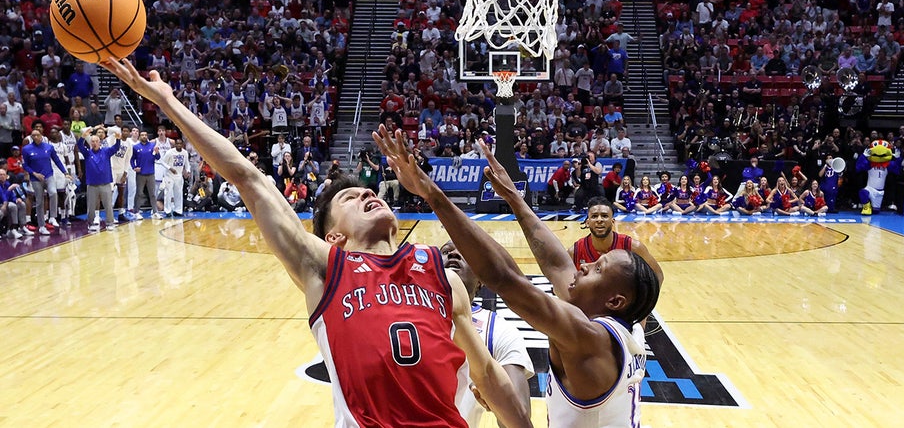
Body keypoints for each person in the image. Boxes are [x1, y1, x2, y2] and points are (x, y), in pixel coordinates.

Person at [102, 58, 531, 428]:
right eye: (350, 197)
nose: (367, 194)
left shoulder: (441, 275)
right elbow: (248, 178)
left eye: (369, 192)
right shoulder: (327, 269)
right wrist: (166, 102)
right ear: (334, 237)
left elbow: (488, 376)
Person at [374, 127, 663, 428]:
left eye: (598, 268)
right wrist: (514, 197)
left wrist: (431, 193)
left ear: (615, 300)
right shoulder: (619, 325)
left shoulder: (590, 339)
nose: (585, 265)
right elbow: (556, 263)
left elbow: (505, 278)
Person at [441, 240, 534, 428]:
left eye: (464, 253)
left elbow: (518, 414)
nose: (453, 255)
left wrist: (498, 401)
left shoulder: (498, 329)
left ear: (481, 280)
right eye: (445, 252)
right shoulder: (399, 312)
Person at [573, 196, 653, 270]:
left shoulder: (633, 247)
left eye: (604, 216)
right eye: (594, 216)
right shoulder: (575, 251)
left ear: (612, 221)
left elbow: (657, 275)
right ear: (587, 222)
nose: (599, 220)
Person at [22, 128, 67, 234]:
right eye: (33, 135)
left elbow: (56, 160)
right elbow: (25, 165)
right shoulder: (26, 149)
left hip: (48, 175)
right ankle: (41, 226)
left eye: (37, 135)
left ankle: (52, 217)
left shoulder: (49, 147)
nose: (35, 137)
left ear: (42, 136)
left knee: (53, 192)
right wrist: (34, 173)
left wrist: (65, 172)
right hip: (36, 178)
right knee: (39, 202)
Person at [77, 125, 120, 232]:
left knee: (108, 205)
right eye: (92, 141)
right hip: (92, 184)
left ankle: (110, 223)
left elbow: (116, 147)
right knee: (91, 206)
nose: (94, 143)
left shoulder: (106, 151)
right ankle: (90, 223)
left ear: (100, 142)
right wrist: (83, 136)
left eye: (96, 141)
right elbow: (79, 145)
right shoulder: (87, 153)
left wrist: (118, 139)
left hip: (105, 183)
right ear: (90, 143)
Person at [130, 130, 161, 219]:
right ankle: (136, 212)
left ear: (147, 136)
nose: (144, 136)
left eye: (145, 135)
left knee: (152, 194)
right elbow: (132, 159)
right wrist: (134, 167)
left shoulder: (152, 146)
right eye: (142, 135)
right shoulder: (135, 147)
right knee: (139, 193)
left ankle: (155, 212)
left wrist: (157, 152)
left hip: (151, 173)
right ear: (140, 136)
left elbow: (158, 158)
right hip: (140, 174)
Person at [159, 137, 190, 217]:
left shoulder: (185, 153)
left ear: (182, 145)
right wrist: (170, 168)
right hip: (169, 175)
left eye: (180, 143)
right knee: (168, 193)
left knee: (179, 193)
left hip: (179, 175)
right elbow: (162, 161)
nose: (179, 145)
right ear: (175, 144)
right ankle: (167, 210)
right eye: (177, 143)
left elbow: (187, 164)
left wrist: (188, 171)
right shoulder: (170, 152)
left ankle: (178, 210)